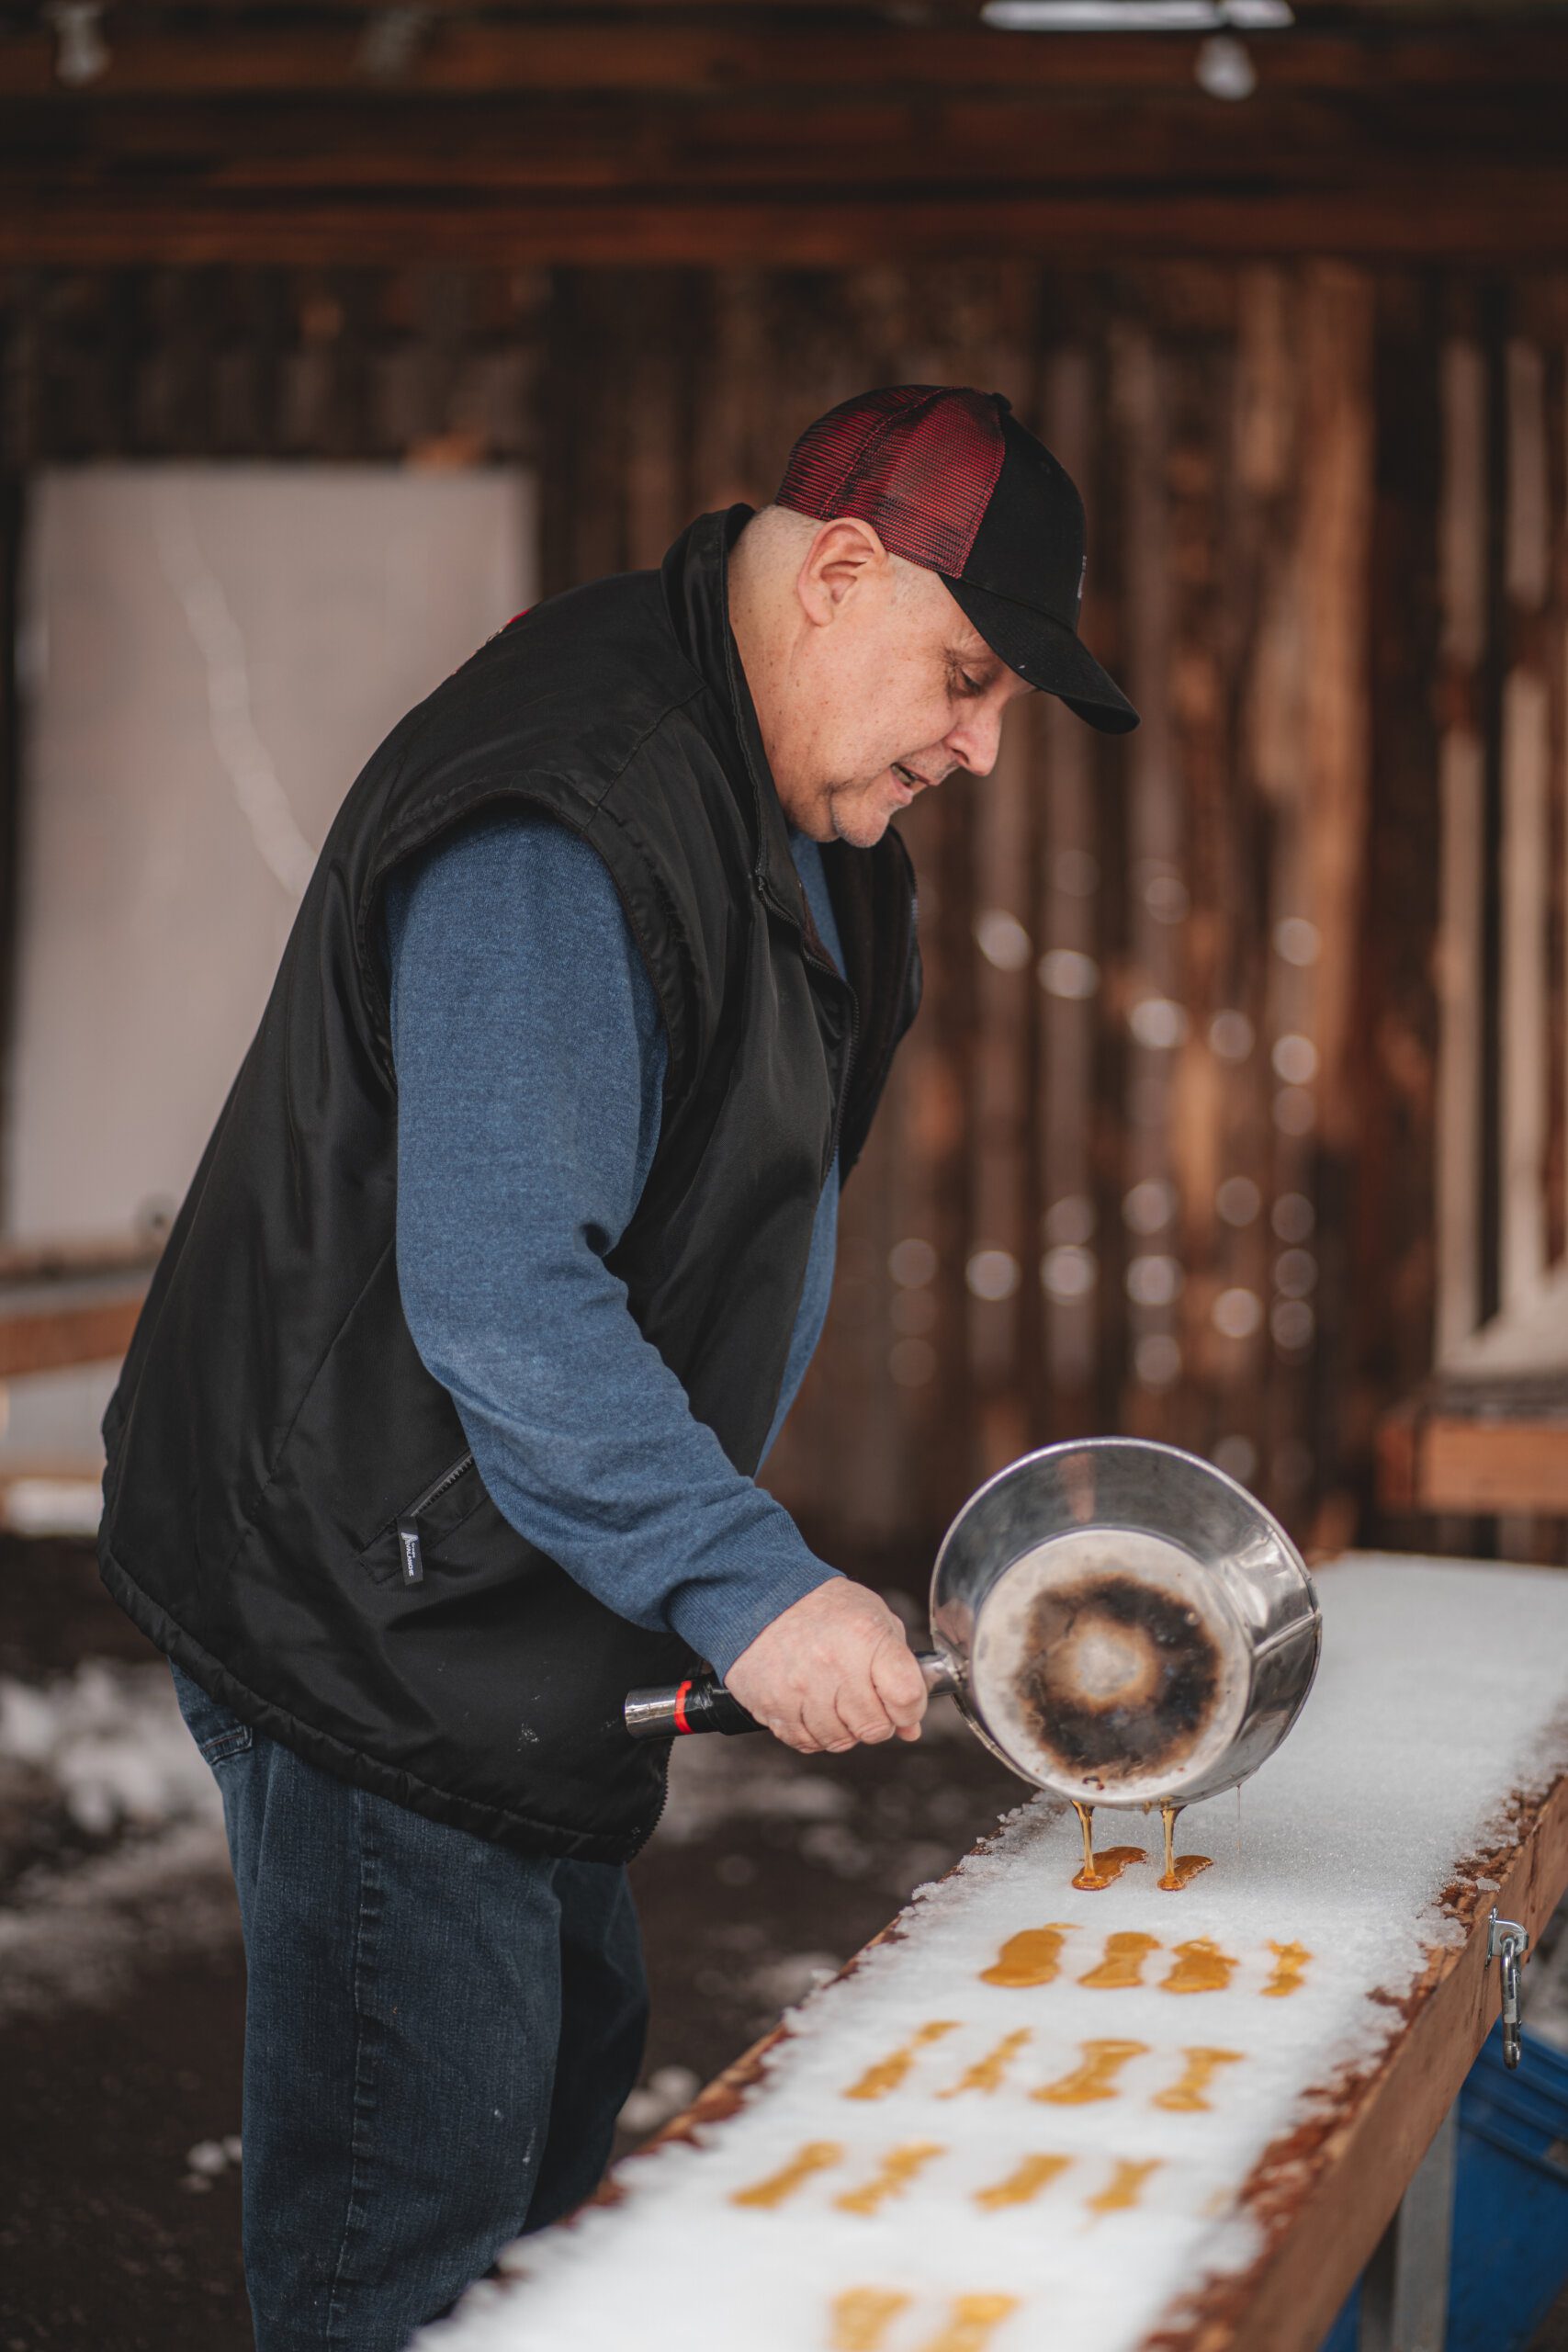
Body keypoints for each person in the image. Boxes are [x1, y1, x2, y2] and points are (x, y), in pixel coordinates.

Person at [98, 384, 1136, 2352]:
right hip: (371, 1602)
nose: (978, 743)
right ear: (840, 573)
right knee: (417, 2227)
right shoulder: (565, 809)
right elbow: (502, 1296)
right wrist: (744, 1579)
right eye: (968, 676)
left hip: (515, 1584)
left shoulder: (788, 784)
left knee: (559, 2127)